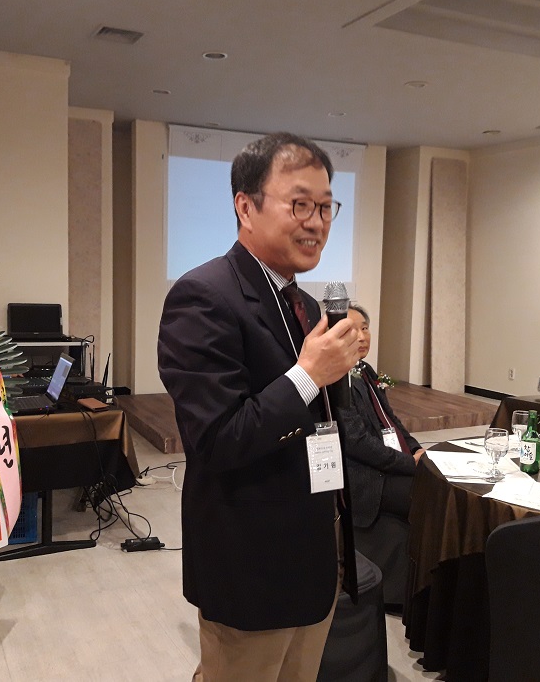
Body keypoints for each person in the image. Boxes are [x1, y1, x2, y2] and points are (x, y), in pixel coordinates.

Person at [158, 132, 360, 682]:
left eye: (326, 207)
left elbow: (320, 416)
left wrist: (336, 372)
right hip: (249, 562)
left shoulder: (307, 302)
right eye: (300, 204)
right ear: (245, 207)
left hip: (313, 552)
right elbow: (218, 440)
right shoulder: (203, 296)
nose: (316, 223)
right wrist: (308, 374)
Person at [337, 303, 423, 609]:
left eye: (365, 328)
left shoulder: (365, 370)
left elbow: (392, 421)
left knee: (434, 487)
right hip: (364, 478)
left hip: (388, 465)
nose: (362, 336)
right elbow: (358, 443)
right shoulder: (336, 379)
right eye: (352, 330)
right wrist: (409, 464)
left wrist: (416, 449)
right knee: (425, 495)